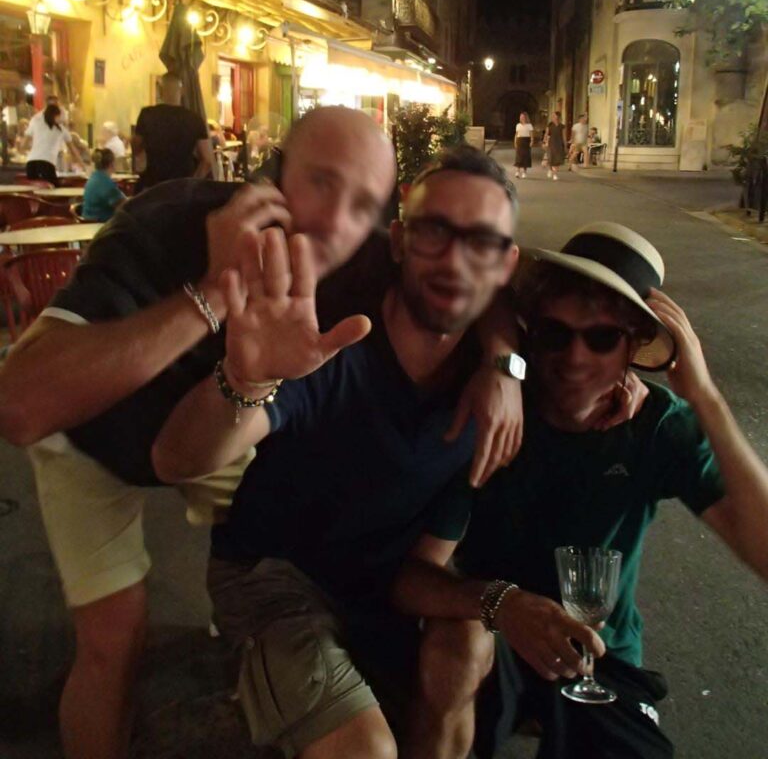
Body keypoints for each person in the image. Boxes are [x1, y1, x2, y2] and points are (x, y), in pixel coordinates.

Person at [0, 111, 521, 759]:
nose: (337, 220)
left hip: (226, 413)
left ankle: (262, 654)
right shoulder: (172, 220)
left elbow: (479, 271)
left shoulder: (363, 255)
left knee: (260, 553)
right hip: (94, 439)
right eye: (322, 184)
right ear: (272, 174)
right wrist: (216, 293)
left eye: (363, 203)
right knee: (114, 641)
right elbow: (20, 407)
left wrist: (504, 364)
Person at [151, 146, 524, 759]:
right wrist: (243, 382)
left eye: (481, 241)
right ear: (399, 241)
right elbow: (177, 458)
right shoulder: (330, 345)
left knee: (467, 647)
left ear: (506, 263)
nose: (456, 260)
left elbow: (424, 564)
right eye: (435, 232)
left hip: (377, 580)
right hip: (273, 576)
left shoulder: (486, 394)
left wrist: (508, 365)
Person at [391, 222, 768, 759]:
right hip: (495, 638)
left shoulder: (656, 427)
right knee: (453, 644)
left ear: (635, 346)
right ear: (531, 331)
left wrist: (704, 396)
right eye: (555, 333)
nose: (575, 357)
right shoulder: (497, 415)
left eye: (602, 338)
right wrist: (503, 603)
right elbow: (410, 578)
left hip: (599, 654)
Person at [132, 71, 213, 190]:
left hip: (153, 186)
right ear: (182, 91)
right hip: (181, 186)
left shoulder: (147, 115)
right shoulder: (194, 119)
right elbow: (207, 160)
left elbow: (136, 147)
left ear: (160, 91)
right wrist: (191, 184)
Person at [23, 102, 86, 186]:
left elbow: (24, 143)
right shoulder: (61, 130)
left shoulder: (36, 123)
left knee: (35, 189)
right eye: (60, 115)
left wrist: (25, 150)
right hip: (47, 164)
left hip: (31, 164)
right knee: (53, 189)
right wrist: (82, 165)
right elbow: (73, 150)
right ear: (56, 116)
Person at [81, 148, 126, 222]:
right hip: (101, 225)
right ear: (112, 164)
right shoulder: (106, 183)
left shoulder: (93, 177)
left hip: (87, 223)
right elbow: (124, 206)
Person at [543, 112, 566, 180]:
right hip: (551, 143)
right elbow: (546, 134)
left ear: (559, 117)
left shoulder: (562, 126)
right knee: (551, 158)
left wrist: (565, 145)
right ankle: (550, 170)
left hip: (559, 144)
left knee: (557, 159)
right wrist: (544, 142)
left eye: (555, 117)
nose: (554, 118)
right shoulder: (550, 125)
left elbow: (564, 136)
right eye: (553, 116)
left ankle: (555, 174)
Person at [513, 112, 534, 179]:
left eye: (523, 117)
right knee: (518, 156)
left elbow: (531, 134)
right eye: (520, 117)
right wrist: (515, 142)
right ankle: (517, 171)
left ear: (525, 117)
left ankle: (524, 172)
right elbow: (516, 134)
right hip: (520, 140)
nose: (521, 118)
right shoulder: (518, 125)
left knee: (526, 156)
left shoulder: (529, 125)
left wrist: (531, 141)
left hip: (526, 140)